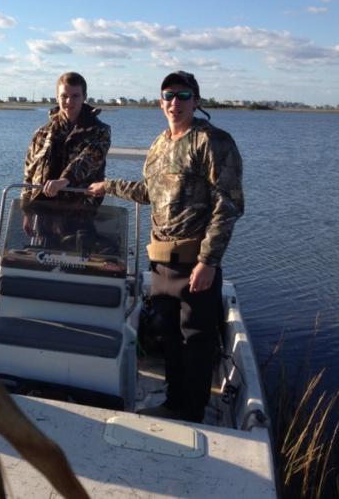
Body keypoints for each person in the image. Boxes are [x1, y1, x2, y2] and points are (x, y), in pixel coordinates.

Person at [88, 71, 244, 423]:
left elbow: (228, 204)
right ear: (161, 103)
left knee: (196, 341)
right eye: (168, 96)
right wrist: (108, 186)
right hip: (160, 261)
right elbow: (150, 192)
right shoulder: (160, 144)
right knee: (168, 336)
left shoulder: (213, 142)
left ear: (196, 101)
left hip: (194, 263)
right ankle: (174, 403)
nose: (175, 102)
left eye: (183, 95)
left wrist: (208, 261)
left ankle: (193, 412)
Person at [21, 71, 111, 245]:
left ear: (84, 97)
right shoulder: (42, 133)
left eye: (75, 96)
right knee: (43, 254)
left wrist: (63, 181)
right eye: (64, 96)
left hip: (81, 210)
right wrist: (27, 211)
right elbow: (29, 172)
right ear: (57, 97)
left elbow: (87, 160)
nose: (69, 101)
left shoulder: (100, 131)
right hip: (45, 210)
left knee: (79, 254)